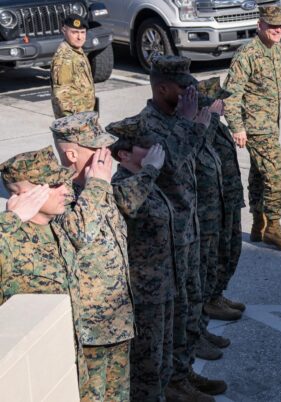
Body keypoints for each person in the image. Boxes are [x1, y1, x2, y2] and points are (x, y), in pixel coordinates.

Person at [138, 54, 226, 401]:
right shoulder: (148, 126)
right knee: (175, 316)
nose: (190, 93)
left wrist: (192, 123)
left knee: (191, 304)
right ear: (162, 89)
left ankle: (183, 372)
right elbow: (170, 164)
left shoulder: (176, 118)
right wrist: (191, 123)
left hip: (187, 229)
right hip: (167, 240)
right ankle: (174, 382)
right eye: (183, 87)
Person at [51, 112, 135, 401]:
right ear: (72, 153)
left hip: (118, 319)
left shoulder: (95, 186)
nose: (105, 154)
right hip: (91, 331)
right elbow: (78, 235)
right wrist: (97, 185)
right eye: (96, 148)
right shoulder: (57, 195)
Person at [223, 5, 281, 251]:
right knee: (278, 175)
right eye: (272, 26)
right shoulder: (247, 54)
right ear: (260, 26)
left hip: (271, 125)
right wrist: (237, 127)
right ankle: (274, 227)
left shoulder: (278, 50)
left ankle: (259, 224)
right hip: (255, 128)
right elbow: (231, 94)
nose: (277, 30)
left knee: (259, 173)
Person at [0, 146, 90, 387]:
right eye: (53, 185)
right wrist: (11, 220)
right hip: (34, 372)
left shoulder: (56, 226)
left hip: (69, 361)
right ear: (22, 194)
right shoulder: (10, 240)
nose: (64, 190)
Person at [107, 116, 175, 402]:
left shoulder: (145, 180)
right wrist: (148, 172)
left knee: (161, 360)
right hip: (143, 294)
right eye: (146, 146)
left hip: (162, 285)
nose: (155, 151)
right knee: (147, 364)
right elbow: (129, 205)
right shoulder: (124, 185)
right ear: (124, 155)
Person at [197, 78, 246, 325]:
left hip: (229, 197)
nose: (223, 105)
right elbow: (196, 147)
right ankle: (210, 299)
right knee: (215, 253)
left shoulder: (218, 125)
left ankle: (218, 293)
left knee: (231, 249)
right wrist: (212, 117)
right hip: (214, 204)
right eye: (219, 101)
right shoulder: (203, 125)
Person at [50, 15, 96, 118]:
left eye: (82, 32)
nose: (79, 37)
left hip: (84, 117)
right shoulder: (65, 58)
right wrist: (76, 124)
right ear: (64, 31)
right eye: (74, 32)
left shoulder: (76, 50)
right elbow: (62, 96)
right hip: (75, 123)